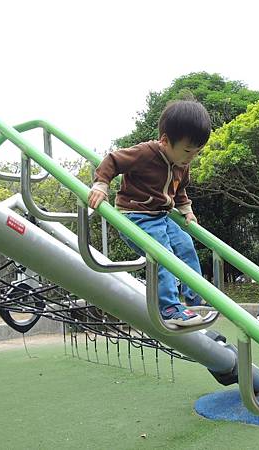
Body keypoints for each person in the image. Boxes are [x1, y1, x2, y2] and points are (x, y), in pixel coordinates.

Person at [87, 100, 211, 326]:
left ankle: (195, 298)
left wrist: (186, 209)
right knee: (162, 256)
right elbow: (112, 160)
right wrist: (101, 184)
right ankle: (170, 308)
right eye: (187, 150)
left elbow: (179, 189)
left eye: (197, 152)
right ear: (164, 141)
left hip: (161, 216)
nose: (191, 157)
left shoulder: (182, 163)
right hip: (136, 217)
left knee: (186, 246)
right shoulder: (145, 153)